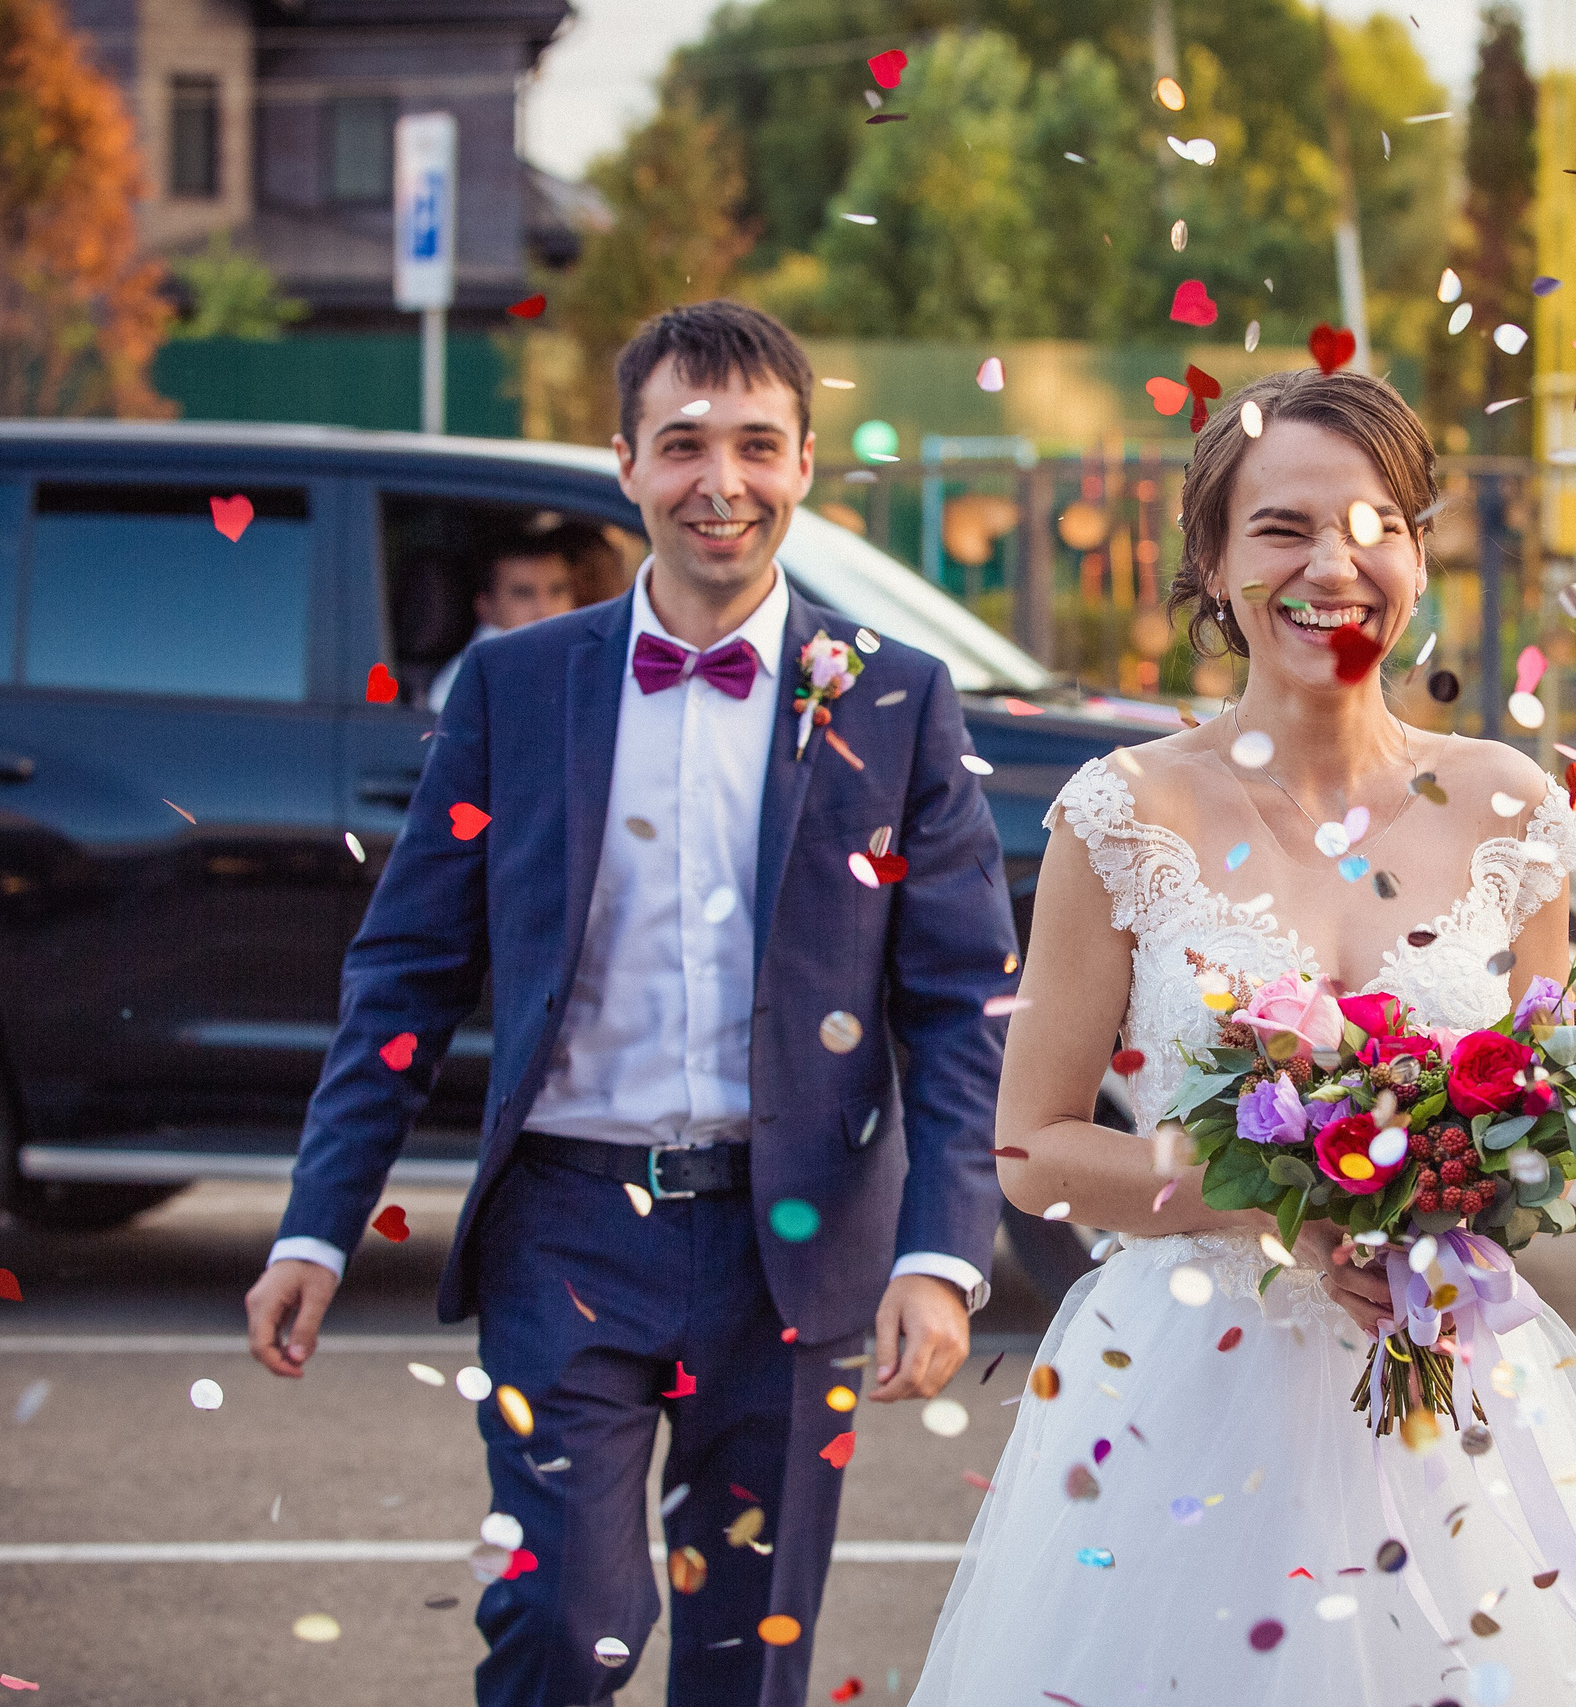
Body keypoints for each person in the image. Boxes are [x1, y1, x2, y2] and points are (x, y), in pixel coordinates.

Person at [910, 370, 1576, 1706]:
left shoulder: (1512, 805)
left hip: (1451, 1384)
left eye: (1374, 523)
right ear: (1211, 559)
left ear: (1419, 550)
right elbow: (1032, 1149)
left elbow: (1547, 1105)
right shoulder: (1122, 813)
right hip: (1189, 1390)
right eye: (1282, 527)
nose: (1333, 566)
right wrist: (1272, 1204)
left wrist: (1459, 1184)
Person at [246, 299, 1015, 1707]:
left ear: (803, 464)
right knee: (567, 1623)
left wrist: (942, 1251)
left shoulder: (895, 697)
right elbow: (407, 970)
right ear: (625, 463)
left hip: (796, 1243)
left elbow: (962, 1002)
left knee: (744, 1656)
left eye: (756, 446)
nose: (720, 480)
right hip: (567, 1227)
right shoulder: (516, 684)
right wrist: (318, 1216)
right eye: (683, 445)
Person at [428, 531, 583, 712]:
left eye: (557, 590)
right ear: (485, 608)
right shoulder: (475, 678)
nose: (545, 609)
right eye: (523, 593)